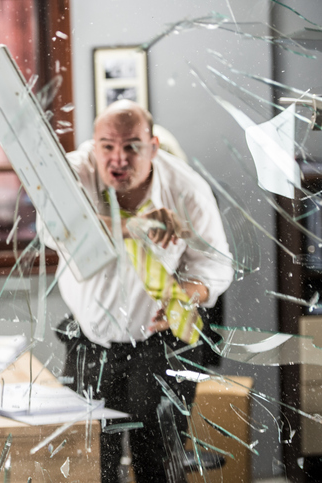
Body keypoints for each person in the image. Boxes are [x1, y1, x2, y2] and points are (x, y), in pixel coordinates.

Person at [41, 100, 234, 482]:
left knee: (155, 460)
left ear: (154, 147)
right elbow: (54, 229)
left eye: (132, 146)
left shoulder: (187, 189)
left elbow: (216, 265)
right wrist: (134, 227)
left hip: (159, 339)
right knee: (92, 457)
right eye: (107, 145)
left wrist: (186, 293)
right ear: (94, 146)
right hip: (91, 337)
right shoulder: (75, 171)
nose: (118, 158)